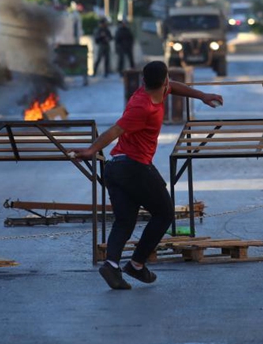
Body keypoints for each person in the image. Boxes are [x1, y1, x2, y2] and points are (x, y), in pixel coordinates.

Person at [70, 61, 223, 290]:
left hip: (116, 168)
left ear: (145, 81)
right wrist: (91, 150)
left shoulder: (150, 90)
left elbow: (177, 87)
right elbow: (115, 130)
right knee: (164, 213)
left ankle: (112, 266)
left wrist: (201, 95)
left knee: (125, 220)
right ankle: (137, 264)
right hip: (133, 168)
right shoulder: (142, 106)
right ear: (164, 81)